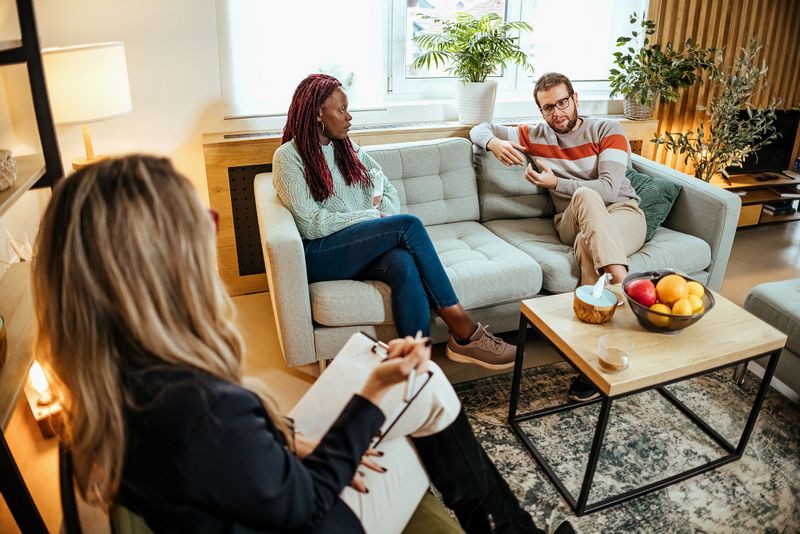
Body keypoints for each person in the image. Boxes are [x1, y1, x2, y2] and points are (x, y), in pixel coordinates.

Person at [33, 156, 569, 533]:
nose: (210, 237)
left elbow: (233, 469)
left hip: (274, 491)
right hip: (321, 519)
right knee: (419, 384)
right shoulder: (200, 408)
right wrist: (370, 397)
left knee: (388, 349)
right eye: (202, 225)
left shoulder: (111, 385)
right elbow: (306, 505)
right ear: (159, 266)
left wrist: (295, 444)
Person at [272, 73, 515, 370]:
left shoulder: (347, 147)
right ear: (317, 114)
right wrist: (371, 217)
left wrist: (379, 216)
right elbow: (311, 224)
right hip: (321, 253)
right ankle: (464, 331)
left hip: (359, 246)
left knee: (403, 262)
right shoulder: (288, 157)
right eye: (341, 110)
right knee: (407, 225)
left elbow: (386, 187)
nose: (349, 117)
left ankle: (415, 364)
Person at [470, 72, 647, 402]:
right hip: (570, 221)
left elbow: (610, 189)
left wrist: (556, 184)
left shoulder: (607, 130)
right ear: (541, 110)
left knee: (587, 243)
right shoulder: (536, 135)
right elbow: (480, 128)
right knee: (584, 197)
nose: (557, 113)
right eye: (548, 108)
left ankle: (590, 364)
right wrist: (494, 143)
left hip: (622, 214)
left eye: (562, 103)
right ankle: (624, 293)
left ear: (575, 98)